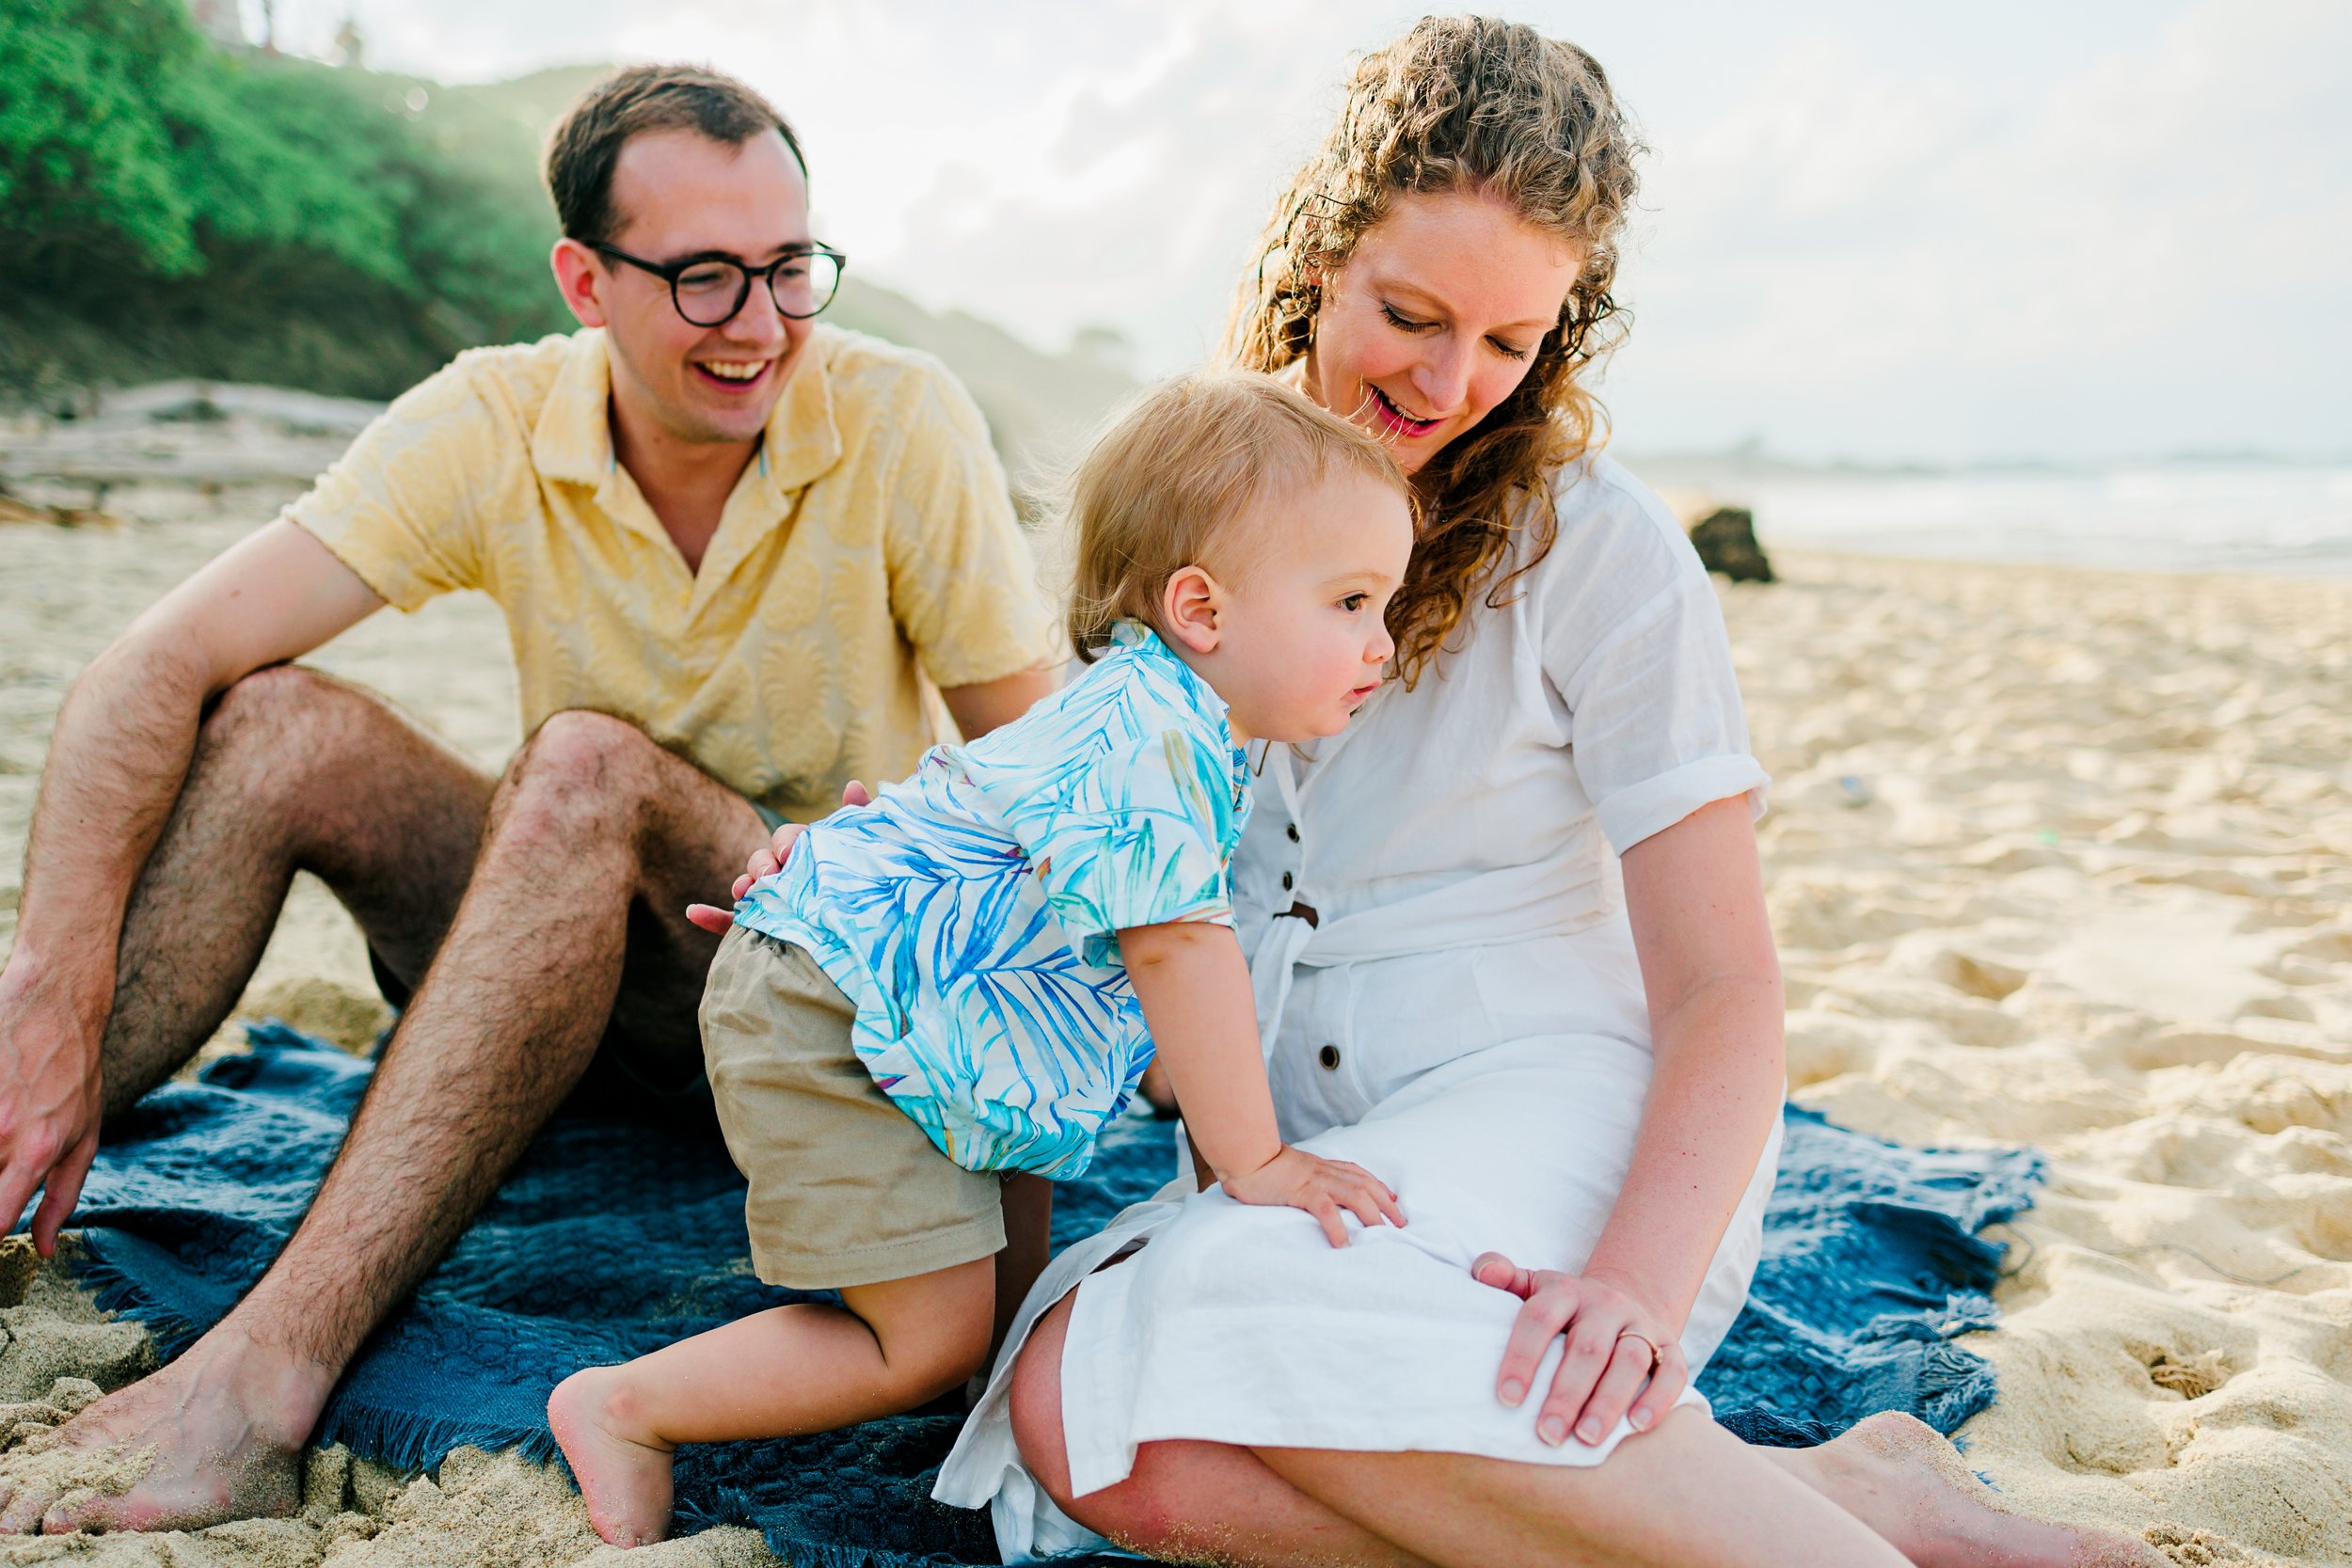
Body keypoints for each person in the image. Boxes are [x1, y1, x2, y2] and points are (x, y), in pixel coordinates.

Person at [739, 19, 2165, 1568]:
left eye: (1510, 342)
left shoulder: (1604, 551)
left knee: (1242, 1359)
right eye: (1410, 313)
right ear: (1318, 253)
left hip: (1569, 1109)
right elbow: (1097, 827)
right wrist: (886, 878)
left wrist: (1631, 1278)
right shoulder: (1195, 503)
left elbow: (1725, 987)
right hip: (1306, 1155)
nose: (1448, 380)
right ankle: (1839, 1492)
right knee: (1080, 1416)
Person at [0, 65, 1061, 1536]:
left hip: (808, 999)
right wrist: (50, 985)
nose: (760, 325)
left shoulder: (902, 418)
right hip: (553, 977)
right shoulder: (494, 417)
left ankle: (259, 1379)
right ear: (585, 279)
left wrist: (909, 874)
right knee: (277, 723)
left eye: (788, 268)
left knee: (581, 764)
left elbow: (1047, 778)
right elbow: (152, 658)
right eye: (702, 277)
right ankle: (13, 1141)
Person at [548, 373, 1414, 1547]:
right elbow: (1177, 946)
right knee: (924, 1332)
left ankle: (986, 1382)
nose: (1383, 641)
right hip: (835, 1009)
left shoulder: (1167, 717)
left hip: (914, 1000)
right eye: (1353, 601)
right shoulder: (1150, 732)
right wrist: (1256, 1159)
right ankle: (626, 1408)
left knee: (1018, 1218)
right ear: (1201, 610)